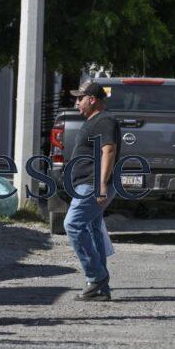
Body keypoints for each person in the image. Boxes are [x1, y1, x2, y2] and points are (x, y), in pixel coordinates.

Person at [64, 81, 121, 302]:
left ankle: (96, 276)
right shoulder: (93, 121)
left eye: (80, 98)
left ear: (92, 99)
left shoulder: (104, 120)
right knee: (93, 228)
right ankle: (101, 289)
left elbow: (109, 151)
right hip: (85, 183)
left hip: (92, 183)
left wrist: (101, 184)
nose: (77, 102)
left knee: (73, 224)